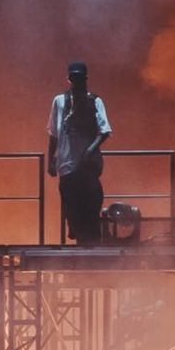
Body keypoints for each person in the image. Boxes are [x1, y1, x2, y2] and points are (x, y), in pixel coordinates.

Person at [46, 61, 112, 245]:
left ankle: (90, 247)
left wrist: (90, 150)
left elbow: (105, 130)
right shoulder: (59, 101)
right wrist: (51, 159)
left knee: (91, 207)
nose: (77, 81)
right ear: (69, 79)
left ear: (85, 79)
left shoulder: (94, 101)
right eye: (73, 77)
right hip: (67, 164)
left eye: (80, 78)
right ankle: (76, 233)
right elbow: (53, 133)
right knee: (71, 207)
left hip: (87, 167)